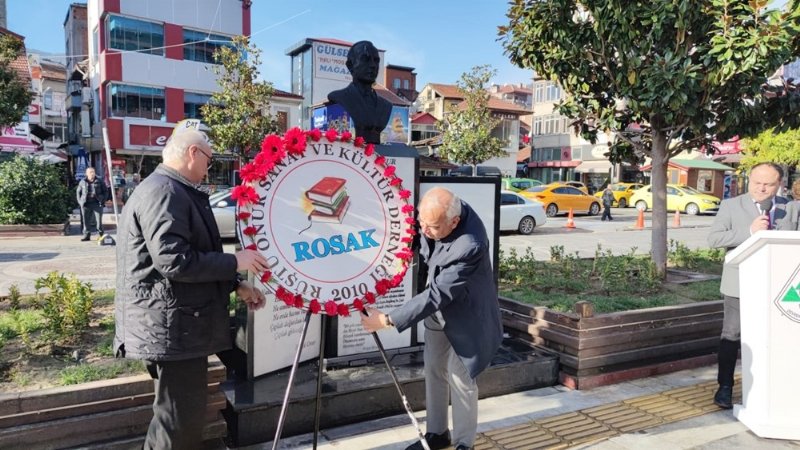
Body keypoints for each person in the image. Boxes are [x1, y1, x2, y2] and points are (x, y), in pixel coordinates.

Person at [113, 126, 269, 449]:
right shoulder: (164, 192)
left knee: (177, 418)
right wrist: (236, 262)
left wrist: (235, 284)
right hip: (172, 330)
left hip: (177, 326)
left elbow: (193, 254)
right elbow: (174, 260)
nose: (208, 169)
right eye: (209, 161)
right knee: (177, 424)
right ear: (192, 153)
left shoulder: (170, 189)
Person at [361, 187, 503, 450]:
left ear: (454, 222)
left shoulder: (470, 244)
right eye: (421, 222)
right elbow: (415, 238)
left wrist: (387, 320)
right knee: (434, 367)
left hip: (466, 315)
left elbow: (439, 293)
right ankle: (437, 434)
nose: (425, 230)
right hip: (436, 312)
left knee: (461, 379)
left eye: (432, 227)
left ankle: (464, 444)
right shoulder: (433, 218)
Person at [707, 162, 799, 409]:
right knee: (732, 335)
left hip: (778, 287)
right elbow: (714, 239)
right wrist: (750, 230)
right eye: (757, 182)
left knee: (774, 338)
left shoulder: (791, 208)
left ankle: (774, 386)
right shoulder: (730, 205)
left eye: (768, 184)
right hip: (739, 283)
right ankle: (725, 387)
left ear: (779, 184)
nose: (761, 188)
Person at [327, 40, 392, 144]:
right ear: (350, 65)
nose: (373, 65)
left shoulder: (386, 105)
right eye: (365, 59)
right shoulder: (339, 97)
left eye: (376, 60)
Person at [76, 167, 109, 241]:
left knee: (98, 221)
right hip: (86, 204)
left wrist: (103, 199)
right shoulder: (82, 182)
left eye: (93, 172)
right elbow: (78, 192)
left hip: (97, 203)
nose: (92, 173)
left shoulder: (100, 181)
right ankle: (86, 235)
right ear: (86, 174)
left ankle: (100, 235)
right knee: (86, 220)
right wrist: (80, 202)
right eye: (90, 172)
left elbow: (106, 191)